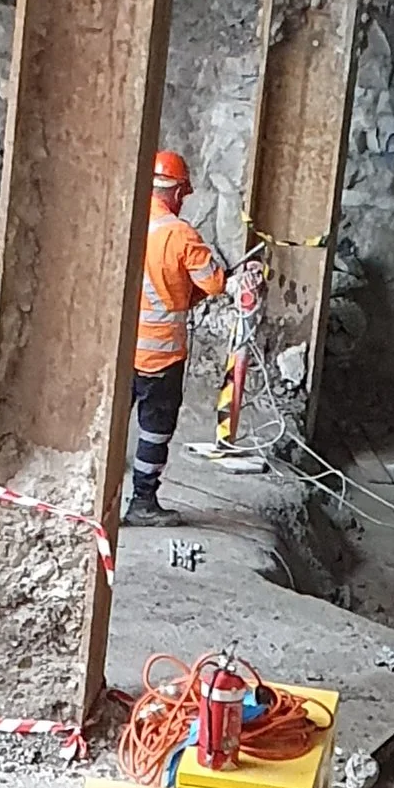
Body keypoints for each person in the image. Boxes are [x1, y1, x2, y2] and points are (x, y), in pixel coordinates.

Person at [126, 148, 228, 525]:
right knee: (154, 430)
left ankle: (94, 500)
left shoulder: (127, 223)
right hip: (160, 355)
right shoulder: (180, 235)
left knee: (111, 425)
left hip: (119, 354)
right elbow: (214, 284)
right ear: (179, 192)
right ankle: (142, 503)